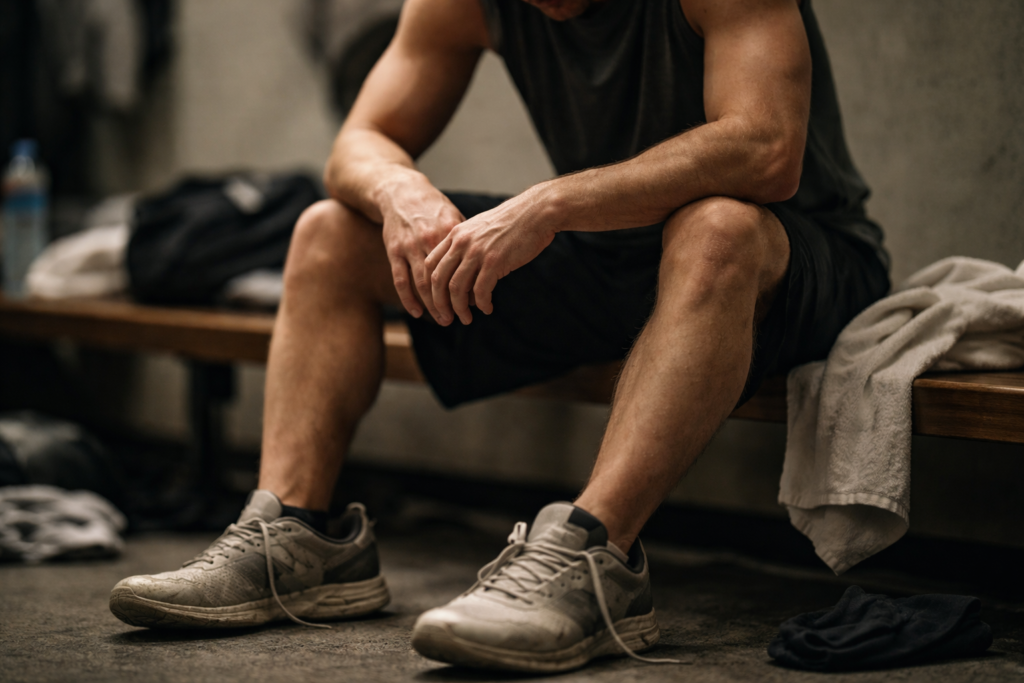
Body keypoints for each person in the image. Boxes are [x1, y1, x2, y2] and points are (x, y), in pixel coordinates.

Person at [109, 0, 890, 672]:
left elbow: (765, 148)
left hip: (797, 254)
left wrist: (548, 204)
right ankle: (299, 539)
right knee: (329, 233)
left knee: (716, 225)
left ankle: (595, 552)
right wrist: (400, 189)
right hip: (619, 257)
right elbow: (359, 142)